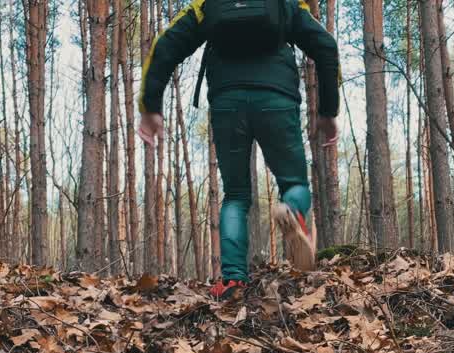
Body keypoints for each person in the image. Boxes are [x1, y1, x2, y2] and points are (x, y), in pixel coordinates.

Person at [138, 0, 341, 300]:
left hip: (227, 102)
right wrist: (328, 111)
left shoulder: (207, 4)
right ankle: (293, 212)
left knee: (235, 196)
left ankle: (233, 281)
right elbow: (325, 45)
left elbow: (166, 45)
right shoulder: (285, 3)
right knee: (294, 183)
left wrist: (150, 106)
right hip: (277, 100)